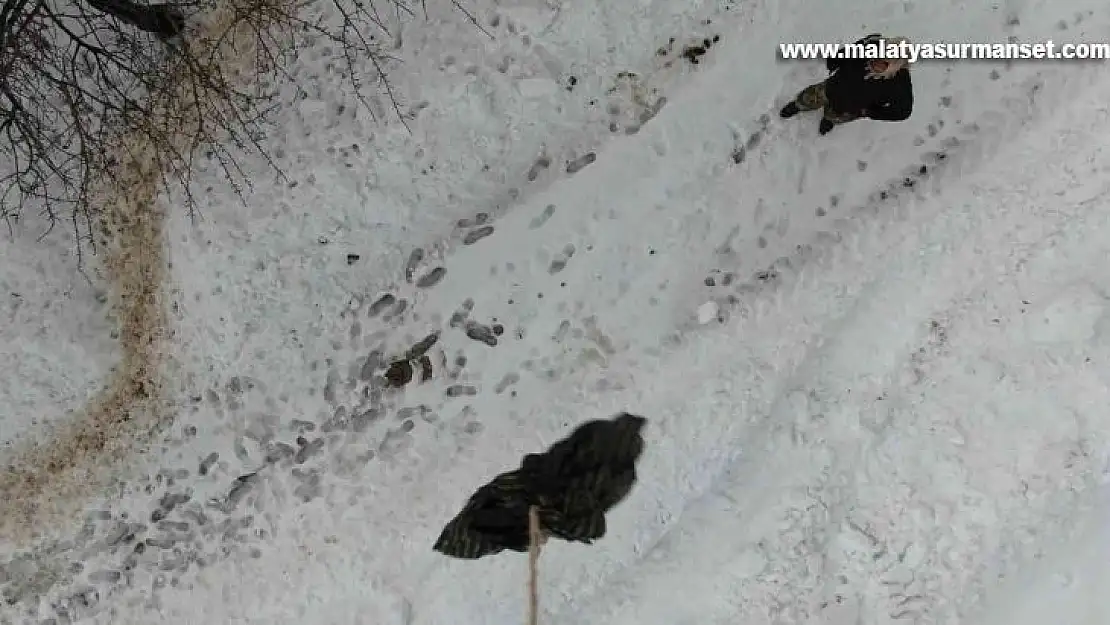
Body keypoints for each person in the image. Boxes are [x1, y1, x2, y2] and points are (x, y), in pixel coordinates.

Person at [780, 33, 914, 135]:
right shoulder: (871, 45)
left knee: (835, 115)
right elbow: (849, 50)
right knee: (811, 96)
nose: (876, 61)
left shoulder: (899, 84)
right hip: (833, 87)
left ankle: (829, 119)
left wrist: (871, 112)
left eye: (884, 62)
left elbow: (903, 112)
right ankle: (799, 104)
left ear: (895, 67)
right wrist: (834, 61)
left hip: (851, 108)